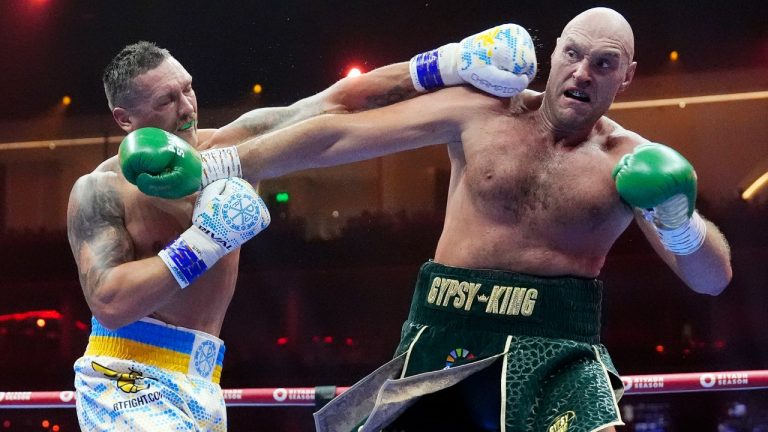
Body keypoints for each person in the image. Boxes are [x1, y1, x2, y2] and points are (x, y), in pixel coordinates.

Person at [120, 8, 733, 431]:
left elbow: (710, 278)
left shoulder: (634, 164)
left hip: (557, 348)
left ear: (626, 77)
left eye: (604, 64)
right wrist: (218, 163)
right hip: (445, 333)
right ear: (554, 55)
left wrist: (681, 224)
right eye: (573, 55)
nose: (582, 73)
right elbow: (341, 133)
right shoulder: (482, 112)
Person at [66, 26, 533, 432]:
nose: (187, 107)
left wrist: (448, 63)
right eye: (166, 100)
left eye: (187, 88)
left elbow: (335, 102)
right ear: (124, 119)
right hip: (124, 374)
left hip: (201, 376)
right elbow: (109, 301)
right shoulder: (101, 190)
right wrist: (204, 242)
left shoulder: (231, 152)